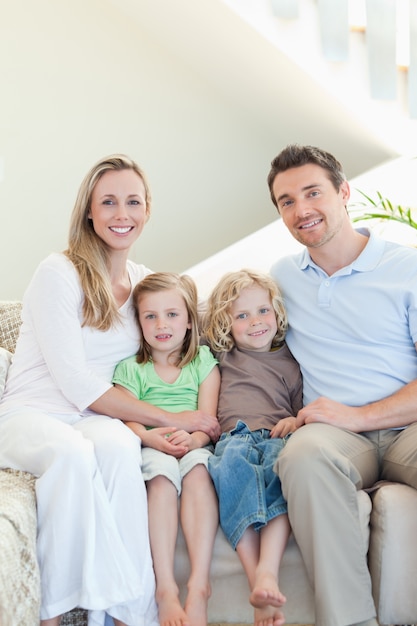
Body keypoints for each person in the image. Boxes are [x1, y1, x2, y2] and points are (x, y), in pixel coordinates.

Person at [0, 154, 220, 626]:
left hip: (99, 419)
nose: (123, 214)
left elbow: (177, 349)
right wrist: (174, 420)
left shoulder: (145, 283)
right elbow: (77, 381)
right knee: (73, 456)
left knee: (121, 451)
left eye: (133, 202)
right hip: (31, 414)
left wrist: (153, 429)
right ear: (90, 212)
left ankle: (129, 616)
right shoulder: (58, 271)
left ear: (147, 210)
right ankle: (52, 615)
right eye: (109, 202)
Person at [267, 143, 417, 626]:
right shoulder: (282, 278)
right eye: (286, 201)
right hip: (335, 437)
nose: (301, 209)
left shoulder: (407, 267)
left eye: (313, 192)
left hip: (408, 425)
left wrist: (358, 415)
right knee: (301, 456)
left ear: (344, 192)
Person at [112, 271, 220, 626]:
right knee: (159, 480)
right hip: (153, 445)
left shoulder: (203, 362)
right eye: (150, 316)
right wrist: (149, 437)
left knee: (199, 474)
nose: (162, 324)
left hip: (195, 447)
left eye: (172, 314)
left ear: (189, 321)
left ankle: (199, 586)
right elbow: (128, 417)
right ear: (138, 322)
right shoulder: (131, 369)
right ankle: (165, 589)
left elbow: (207, 420)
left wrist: (195, 441)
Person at [201, 269, 303, 626]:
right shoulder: (217, 357)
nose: (255, 322)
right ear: (225, 324)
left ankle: (267, 572)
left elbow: (301, 407)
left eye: (263, 311)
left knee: (283, 478)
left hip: (278, 435)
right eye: (241, 315)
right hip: (233, 439)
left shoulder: (292, 361)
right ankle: (255, 578)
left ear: (277, 312)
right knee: (231, 473)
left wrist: (296, 420)